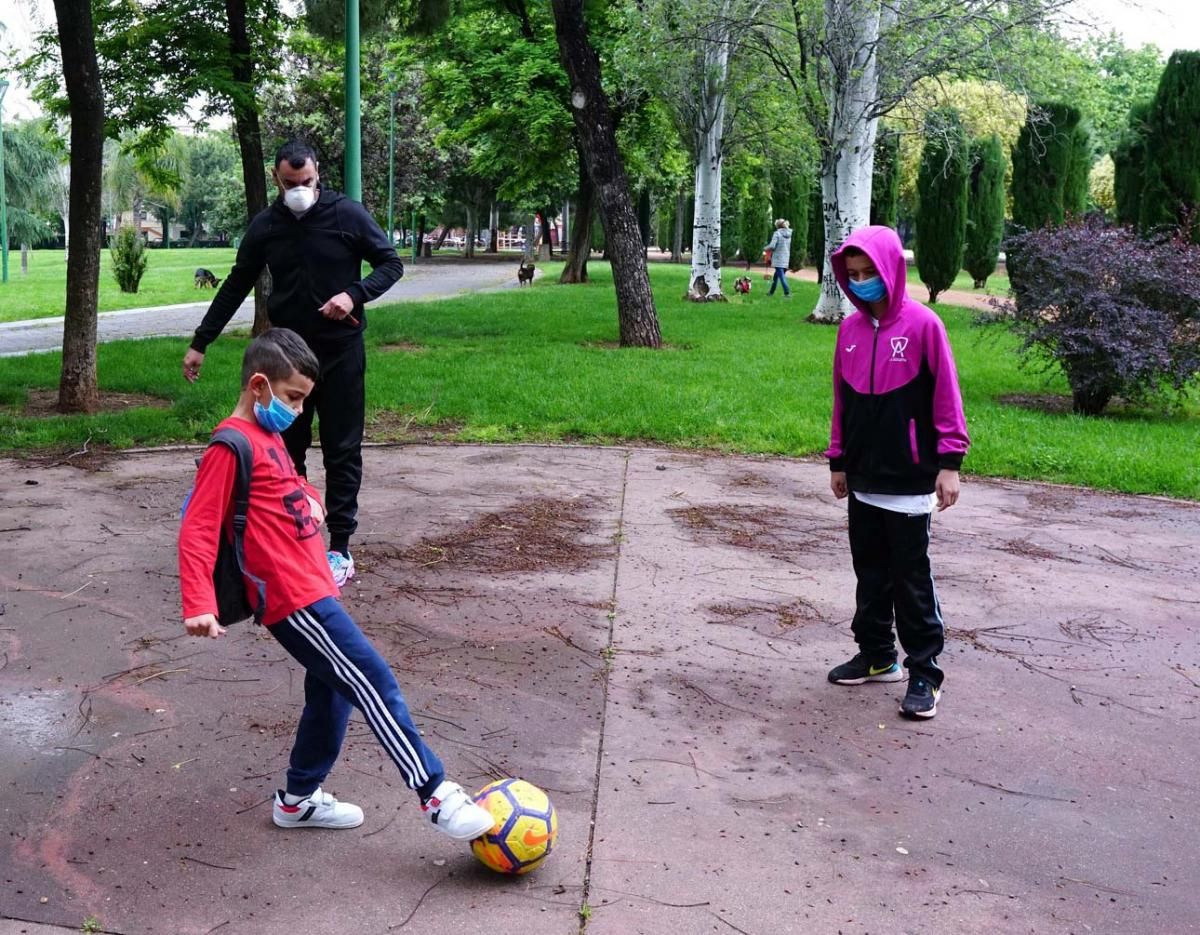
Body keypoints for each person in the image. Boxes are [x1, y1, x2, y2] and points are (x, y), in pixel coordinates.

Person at [179, 328, 495, 840]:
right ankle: (435, 793)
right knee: (372, 681)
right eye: (292, 398)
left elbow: (285, 482)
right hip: (291, 599)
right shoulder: (229, 445)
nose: (299, 411)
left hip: (314, 585)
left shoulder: (269, 437)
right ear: (258, 386)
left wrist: (308, 495)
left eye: (304, 400)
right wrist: (199, 602)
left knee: (333, 691)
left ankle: (299, 799)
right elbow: (197, 526)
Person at [182, 140, 405, 588]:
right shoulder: (266, 226)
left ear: (317, 173)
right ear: (276, 179)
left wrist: (354, 294)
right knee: (286, 449)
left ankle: (339, 546)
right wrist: (200, 342)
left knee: (342, 449)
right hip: (288, 360)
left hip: (341, 353)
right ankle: (293, 530)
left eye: (306, 182)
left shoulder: (348, 215)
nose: (299, 189)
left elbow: (390, 263)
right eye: (289, 183)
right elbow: (236, 284)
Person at [823, 225, 970, 719]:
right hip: (862, 479)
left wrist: (949, 464)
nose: (862, 283)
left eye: (870, 273)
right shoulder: (849, 331)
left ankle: (925, 673)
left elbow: (946, 399)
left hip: (909, 480)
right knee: (870, 573)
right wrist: (838, 461)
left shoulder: (925, 326)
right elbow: (841, 403)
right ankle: (878, 657)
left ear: (890, 271)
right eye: (854, 275)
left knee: (910, 579)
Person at [763, 219, 793, 297]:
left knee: (781, 277)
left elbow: (772, 246)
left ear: (777, 226)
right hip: (786, 257)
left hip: (778, 258)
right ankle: (771, 292)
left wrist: (765, 248)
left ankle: (787, 293)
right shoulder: (789, 234)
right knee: (776, 276)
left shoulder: (777, 233)